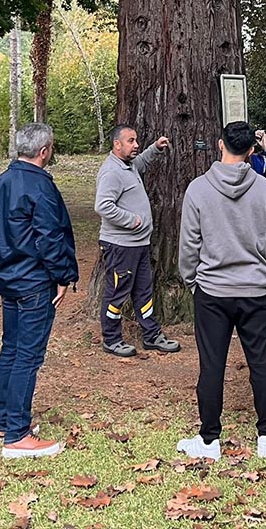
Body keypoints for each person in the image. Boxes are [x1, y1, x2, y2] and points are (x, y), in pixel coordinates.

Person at [176, 122, 266, 460]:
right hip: (253, 288)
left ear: (219, 144)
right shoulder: (264, 188)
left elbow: (189, 244)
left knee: (212, 365)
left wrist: (191, 279)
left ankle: (209, 439)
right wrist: (259, 270)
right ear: (252, 150)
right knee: (261, 363)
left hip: (213, 289)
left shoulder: (198, 189)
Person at [0, 123, 77, 458]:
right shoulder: (39, 187)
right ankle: (17, 436)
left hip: (9, 276)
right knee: (27, 354)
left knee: (11, 348)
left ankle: (5, 421)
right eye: (51, 147)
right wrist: (64, 276)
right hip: (34, 280)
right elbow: (50, 237)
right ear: (44, 151)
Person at [94, 125, 181, 357]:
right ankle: (111, 339)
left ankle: (151, 335)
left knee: (144, 291)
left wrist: (155, 148)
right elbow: (102, 206)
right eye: (131, 141)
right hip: (121, 246)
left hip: (139, 245)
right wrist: (132, 221)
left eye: (136, 141)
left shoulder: (128, 165)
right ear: (117, 144)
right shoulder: (111, 172)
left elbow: (141, 162)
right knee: (117, 293)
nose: (136, 145)